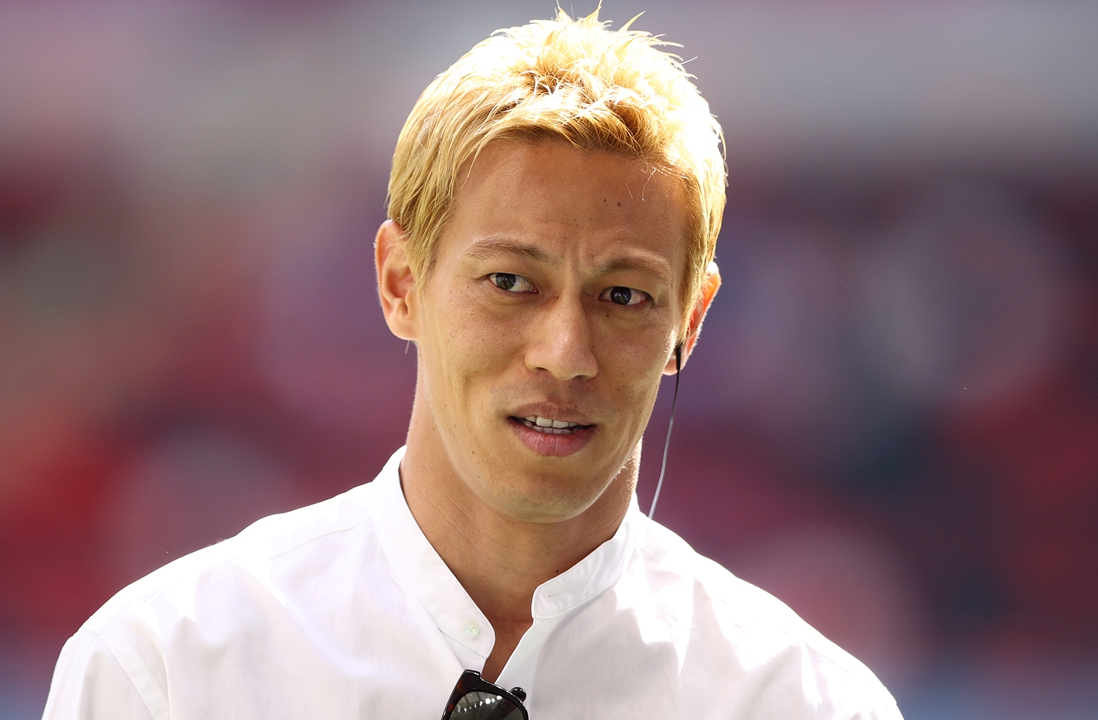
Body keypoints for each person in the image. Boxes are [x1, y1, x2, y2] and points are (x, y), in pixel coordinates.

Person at [43, 10, 902, 719]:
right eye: (510, 283)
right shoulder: (165, 671)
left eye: (623, 295)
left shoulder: (807, 703)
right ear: (400, 283)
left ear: (693, 318)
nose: (565, 353)